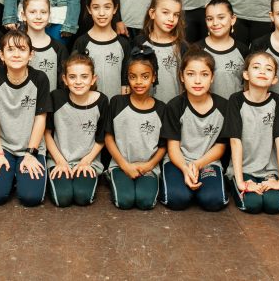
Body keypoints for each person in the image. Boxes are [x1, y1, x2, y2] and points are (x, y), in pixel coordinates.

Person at [0, 30, 51, 206]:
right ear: (1, 55)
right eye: (10, 49)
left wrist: (31, 153)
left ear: (31, 55)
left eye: (22, 49)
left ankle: (18, 174)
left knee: (31, 198)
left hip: (30, 147)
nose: (16, 54)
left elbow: (40, 118)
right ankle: (10, 174)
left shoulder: (40, 79)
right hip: (3, 147)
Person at [161, 49, 231, 212]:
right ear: (182, 77)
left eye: (204, 74)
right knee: (178, 199)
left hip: (208, 162)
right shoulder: (175, 106)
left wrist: (198, 165)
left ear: (212, 77)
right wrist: (186, 168)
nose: (197, 81)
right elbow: (173, 147)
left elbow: (220, 146)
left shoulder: (223, 106)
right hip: (178, 162)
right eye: (191, 74)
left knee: (213, 201)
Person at [104, 45, 167, 210]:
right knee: (125, 201)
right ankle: (113, 176)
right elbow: (109, 137)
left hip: (148, 167)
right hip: (121, 165)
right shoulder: (117, 102)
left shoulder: (161, 108)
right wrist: (124, 165)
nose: (138, 82)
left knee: (145, 202)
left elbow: (163, 145)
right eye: (133, 77)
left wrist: (150, 165)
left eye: (145, 76)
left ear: (154, 77)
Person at [227, 51, 279, 214]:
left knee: (273, 205)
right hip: (244, 168)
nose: (262, 72)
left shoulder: (277, 101)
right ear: (246, 74)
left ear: (274, 79)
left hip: (269, 170)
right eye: (256, 67)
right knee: (253, 205)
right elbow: (235, 141)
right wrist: (240, 181)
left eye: (268, 69)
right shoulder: (236, 100)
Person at [45, 53, 107, 207]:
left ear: (93, 79)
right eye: (72, 77)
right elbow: (46, 133)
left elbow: (101, 138)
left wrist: (86, 161)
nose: (78, 82)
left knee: (82, 198)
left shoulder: (102, 101)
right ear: (65, 80)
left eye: (84, 77)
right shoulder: (56, 97)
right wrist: (59, 161)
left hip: (88, 161)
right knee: (63, 199)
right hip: (59, 159)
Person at [72, 0, 130, 100]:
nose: (101, 13)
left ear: (115, 9)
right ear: (89, 9)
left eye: (107, 7)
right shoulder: (81, 42)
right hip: (88, 106)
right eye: (96, 7)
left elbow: (126, 80)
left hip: (115, 108)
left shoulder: (123, 44)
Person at [138, 0, 187, 104]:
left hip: (175, 109)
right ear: (152, 13)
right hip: (146, 108)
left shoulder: (182, 46)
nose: (171, 19)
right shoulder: (139, 43)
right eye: (165, 12)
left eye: (176, 15)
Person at [203, 0, 249, 100]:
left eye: (221, 17)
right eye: (210, 19)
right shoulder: (197, 50)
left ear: (233, 19)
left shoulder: (243, 50)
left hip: (234, 111)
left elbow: (248, 86)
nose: (215, 23)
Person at [21, 0, 68, 90]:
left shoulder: (59, 49)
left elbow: (63, 86)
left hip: (49, 104)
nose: (38, 16)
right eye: (32, 12)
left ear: (49, 15)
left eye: (43, 12)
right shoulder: (15, 46)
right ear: (23, 15)